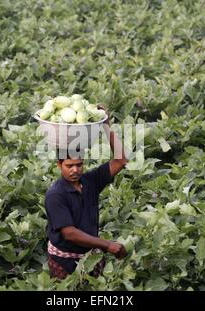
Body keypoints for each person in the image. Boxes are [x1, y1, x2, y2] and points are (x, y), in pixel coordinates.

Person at [45, 106, 128, 279]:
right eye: (69, 166)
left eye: (79, 164)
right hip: (64, 261)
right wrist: (107, 245)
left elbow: (121, 160)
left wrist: (106, 124)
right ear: (59, 165)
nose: (75, 170)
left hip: (91, 256)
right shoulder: (56, 194)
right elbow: (70, 233)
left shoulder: (90, 181)